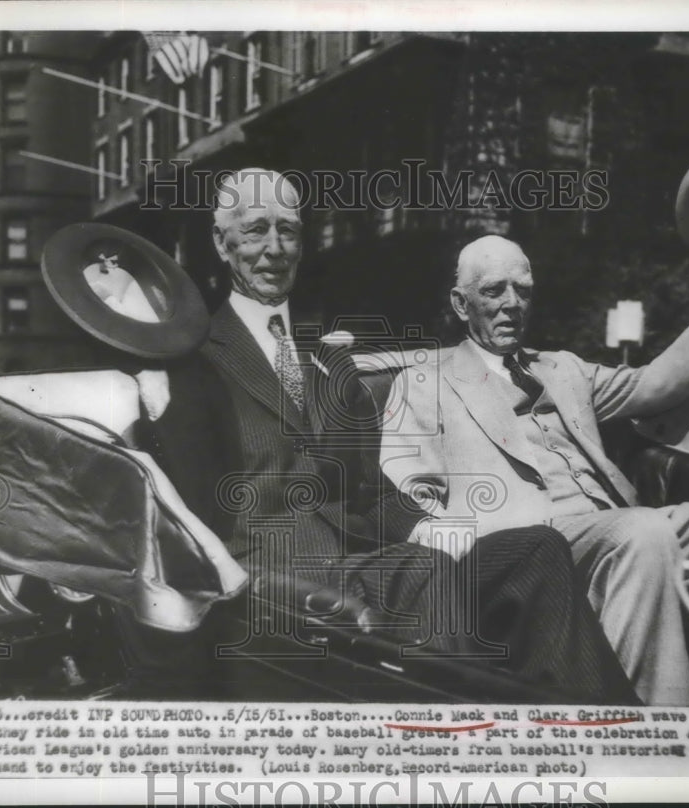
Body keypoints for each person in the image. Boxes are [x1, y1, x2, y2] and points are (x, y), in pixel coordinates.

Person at [149, 169, 638, 704]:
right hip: (275, 578)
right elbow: (185, 515)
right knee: (421, 570)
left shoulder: (329, 359)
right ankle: (465, 741)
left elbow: (368, 492)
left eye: (287, 230)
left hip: (371, 562)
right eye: (255, 230)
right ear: (222, 243)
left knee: (536, 550)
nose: (274, 247)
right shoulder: (193, 361)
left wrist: (431, 527)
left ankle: (613, 734)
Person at [379, 234, 689, 706]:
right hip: (531, 546)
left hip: (619, 522)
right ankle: (655, 729)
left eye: (523, 290)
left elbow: (657, 383)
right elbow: (412, 500)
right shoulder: (424, 382)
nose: (512, 303)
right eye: (493, 291)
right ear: (460, 303)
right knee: (641, 532)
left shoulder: (564, 369)